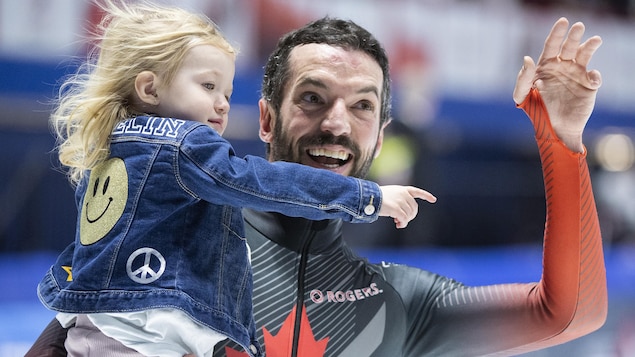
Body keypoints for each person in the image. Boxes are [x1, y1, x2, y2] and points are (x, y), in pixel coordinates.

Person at [27, 12, 608, 357]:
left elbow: (570, 314)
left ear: (380, 138)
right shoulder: (170, 255)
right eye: (312, 98)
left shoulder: (398, 302)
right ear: (264, 120)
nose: (335, 123)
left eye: (361, 106)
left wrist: (560, 140)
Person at [34, 2, 436, 357]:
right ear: (150, 87)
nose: (222, 103)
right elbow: (260, 182)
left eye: (226, 90)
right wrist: (367, 198)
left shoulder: (116, 149)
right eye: (208, 86)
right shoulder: (183, 146)